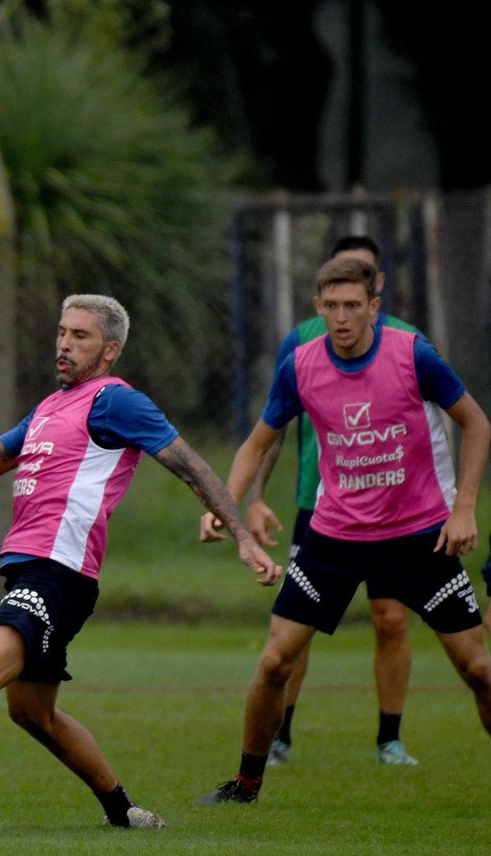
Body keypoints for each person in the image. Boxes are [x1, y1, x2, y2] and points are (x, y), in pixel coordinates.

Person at [0, 294, 280, 830]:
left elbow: (190, 466)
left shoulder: (115, 401)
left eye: (80, 336)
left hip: (59, 571)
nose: (64, 344)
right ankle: (124, 811)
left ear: (110, 350)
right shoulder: (49, 407)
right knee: (32, 712)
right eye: (62, 332)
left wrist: (242, 536)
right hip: (31, 569)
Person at [196, 255, 491, 805]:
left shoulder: (413, 354)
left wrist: (465, 507)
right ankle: (245, 784)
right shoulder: (300, 365)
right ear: (317, 307)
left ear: (374, 306)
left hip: (417, 535)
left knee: (477, 668)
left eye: (352, 305)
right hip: (334, 537)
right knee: (275, 660)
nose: (341, 317)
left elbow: (476, 422)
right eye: (330, 306)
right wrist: (223, 504)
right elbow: (257, 444)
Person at [244, 235, 427, 766]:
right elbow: (273, 427)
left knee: (390, 617)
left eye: (357, 288)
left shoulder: (408, 342)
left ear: (376, 290)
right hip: (320, 508)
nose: (343, 311)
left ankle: (390, 739)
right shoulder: (301, 342)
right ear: (321, 297)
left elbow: (435, 427)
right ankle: (280, 736)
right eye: (333, 298)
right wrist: (255, 496)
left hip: (393, 515)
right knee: (293, 633)